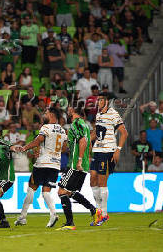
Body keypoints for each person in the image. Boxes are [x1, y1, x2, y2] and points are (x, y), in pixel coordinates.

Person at [15, 108, 67, 228]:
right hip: (55, 164)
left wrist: (24, 148)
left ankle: (22, 217)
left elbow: (37, 141)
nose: (44, 115)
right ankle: (54, 213)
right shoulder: (62, 130)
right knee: (46, 192)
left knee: (31, 189)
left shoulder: (45, 127)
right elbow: (64, 149)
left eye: (46, 113)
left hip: (42, 163)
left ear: (52, 115)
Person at [57, 107, 99, 230]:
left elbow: (82, 141)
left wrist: (79, 160)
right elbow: (89, 143)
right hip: (83, 164)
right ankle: (94, 210)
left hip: (75, 164)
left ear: (75, 113)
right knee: (70, 192)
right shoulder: (85, 125)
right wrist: (87, 158)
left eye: (70, 109)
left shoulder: (75, 124)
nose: (68, 110)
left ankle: (70, 223)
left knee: (62, 192)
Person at [90, 93, 128, 226]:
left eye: (100, 100)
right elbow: (97, 131)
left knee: (101, 182)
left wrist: (118, 149)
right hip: (97, 151)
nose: (98, 101)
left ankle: (103, 214)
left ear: (106, 101)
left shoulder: (113, 114)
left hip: (108, 151)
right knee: (92, 180)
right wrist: (88, 140)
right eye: (97, 99)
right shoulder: (98, 114)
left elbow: (124, 132)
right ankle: (99, 212)